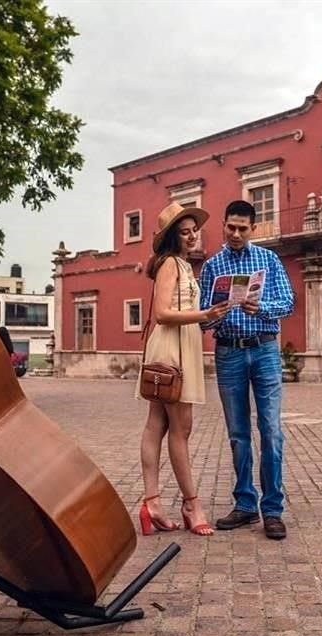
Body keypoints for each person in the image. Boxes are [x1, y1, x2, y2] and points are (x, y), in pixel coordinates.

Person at [198, 200, 295, 540]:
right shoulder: (212, 266)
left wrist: (261, 306)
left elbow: (288, 302)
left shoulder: (268, 260)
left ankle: (272, 510)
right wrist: (212, 314)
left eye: (242, 228)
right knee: (238, 434)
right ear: (223, 226)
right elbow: (199, 317)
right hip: (229, 353)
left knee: (270, 430)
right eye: (230, 227)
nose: (236, 234)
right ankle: (244, 504)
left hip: (265, 348)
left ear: (253, 228)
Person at [136, 202, 230, 537]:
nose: (192, 236)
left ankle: (152, 503)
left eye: (194, 230)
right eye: (184, 231)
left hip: (178, 342)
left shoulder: (182, 265)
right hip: (172, 347)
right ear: (172, 236)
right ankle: (192, 504)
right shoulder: (171, 265)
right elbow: (162, 313)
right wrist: (205, 315)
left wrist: (208, 314)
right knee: (181, 429)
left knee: (157, 424)